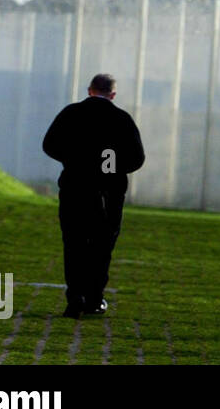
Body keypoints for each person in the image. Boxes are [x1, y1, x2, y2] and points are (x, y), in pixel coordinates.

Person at [42, 73, 145, 318]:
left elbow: (49, 145)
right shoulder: (122, 119)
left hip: (74, 189)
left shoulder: (71, 114)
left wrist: (74, 160)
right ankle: (95, 298)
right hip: (108, 192)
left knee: (75, 243)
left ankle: (75, 297)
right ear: (113, 94)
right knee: (101, 245)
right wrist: (111, 168)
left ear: (90, 90)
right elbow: (136, 158)